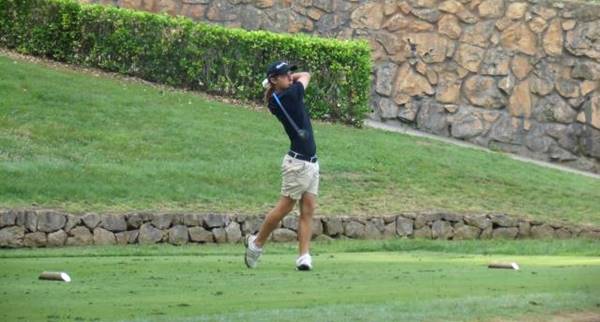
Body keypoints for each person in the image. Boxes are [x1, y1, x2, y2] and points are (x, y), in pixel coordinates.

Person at [244, 61, 320, 271]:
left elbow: (299, 76)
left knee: (308, 209)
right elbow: (306, 74)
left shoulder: (276, 98)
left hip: (310, 162)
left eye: (289, 73)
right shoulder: (290, 95)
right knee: (284, 207)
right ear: (274, 80)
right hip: (297, 163)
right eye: (285, 74)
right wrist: (289, 79)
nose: (290, 76)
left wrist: (277, 80)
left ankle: (304, 257)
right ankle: (256, 243)